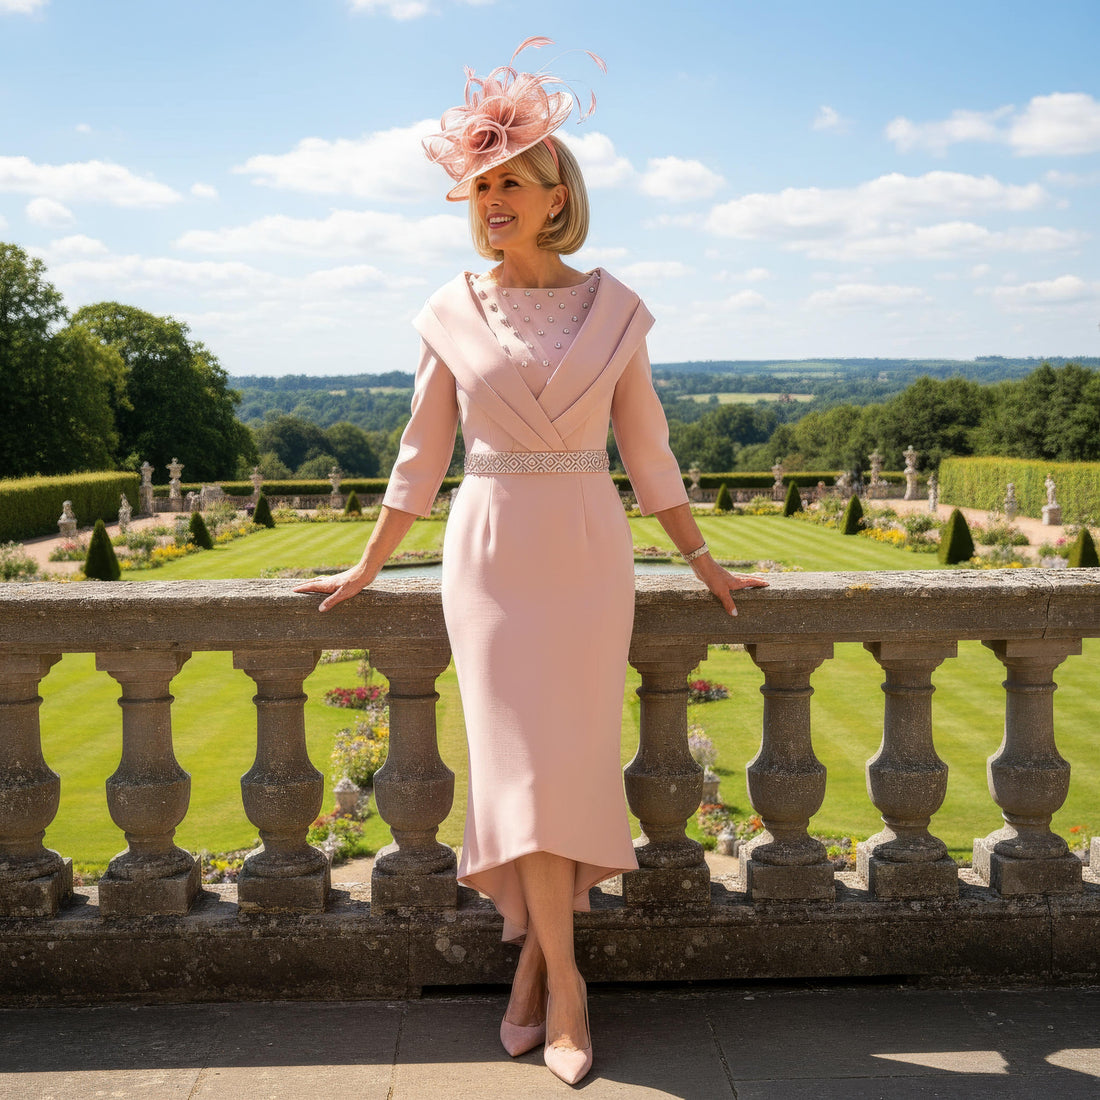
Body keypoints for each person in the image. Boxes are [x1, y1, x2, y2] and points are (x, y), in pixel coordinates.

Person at [294, 37, 767, 1086]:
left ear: (558, 194)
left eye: (512, 181)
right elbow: (420, 456)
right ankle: (566, 983)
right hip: (490, 556)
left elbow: (646, 450)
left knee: (566, 768)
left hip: (588, 557)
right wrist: (370, 564)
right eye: (481, 186)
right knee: (515, 772)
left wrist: (701, 560)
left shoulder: (618, 308)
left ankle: (536, 978)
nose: (493, 199)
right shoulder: (448, 308)